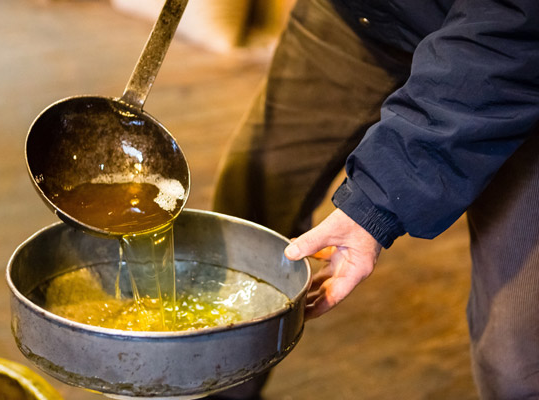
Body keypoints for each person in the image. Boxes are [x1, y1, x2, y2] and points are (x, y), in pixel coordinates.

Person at [210, 0, 539, 398]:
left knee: (517, 361)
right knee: (247, 216)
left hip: (511, 55)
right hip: (364, 15)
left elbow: (508, 33)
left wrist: (376, 203)